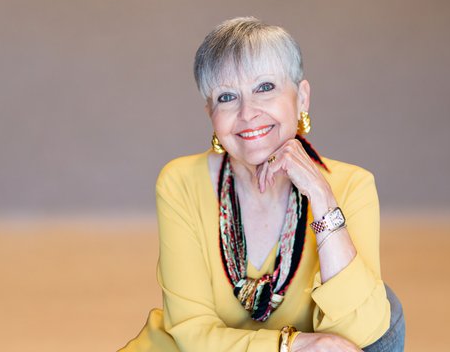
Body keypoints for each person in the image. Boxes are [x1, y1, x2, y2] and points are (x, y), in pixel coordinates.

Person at [119, 17, 405, 351]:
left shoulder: (352, 186)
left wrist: (322, 199)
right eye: (227, 97)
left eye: (265, 88)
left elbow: (360, 333)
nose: (248, 113)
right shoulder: (180, 183)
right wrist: (290, 346)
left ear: (302, 98)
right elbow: (191, 334)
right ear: (210, 113)